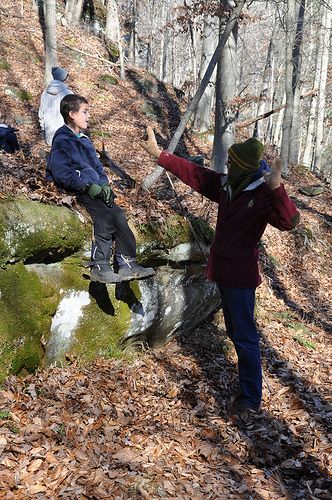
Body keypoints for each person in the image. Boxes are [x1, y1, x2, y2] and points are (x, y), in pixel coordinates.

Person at [140, 126, 300, 414]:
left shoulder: (263, 193)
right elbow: (194, 174)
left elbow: (290, 222)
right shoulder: (228, 183)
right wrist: (159, 155)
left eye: (231, 163)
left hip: (240, 279)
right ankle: (246, 389)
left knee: (245, 336)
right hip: (221, 272)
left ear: (242, 168)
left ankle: (251, 399)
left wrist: (278, 188)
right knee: (236, 333)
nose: (225, 165)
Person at [46, 94, 155, 283]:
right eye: (85, 112)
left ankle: (127, 263)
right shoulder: (62, 139)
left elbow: (98, 168)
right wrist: (89, 187)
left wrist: (104, 186)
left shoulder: (85, 141)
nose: (88, 116)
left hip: (94, 189)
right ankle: (100, 265)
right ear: (71, 114)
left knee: (119, 214)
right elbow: (62, 173)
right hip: (77, 191)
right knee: (103, 216)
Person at [39, 67, 73, 146]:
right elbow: (74, 113)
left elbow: (41, 115)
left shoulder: (45, 94)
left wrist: (43, 130)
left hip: (50, 132)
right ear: (64, 78)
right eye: (66, 77)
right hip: (66, 133)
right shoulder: (68, 93)